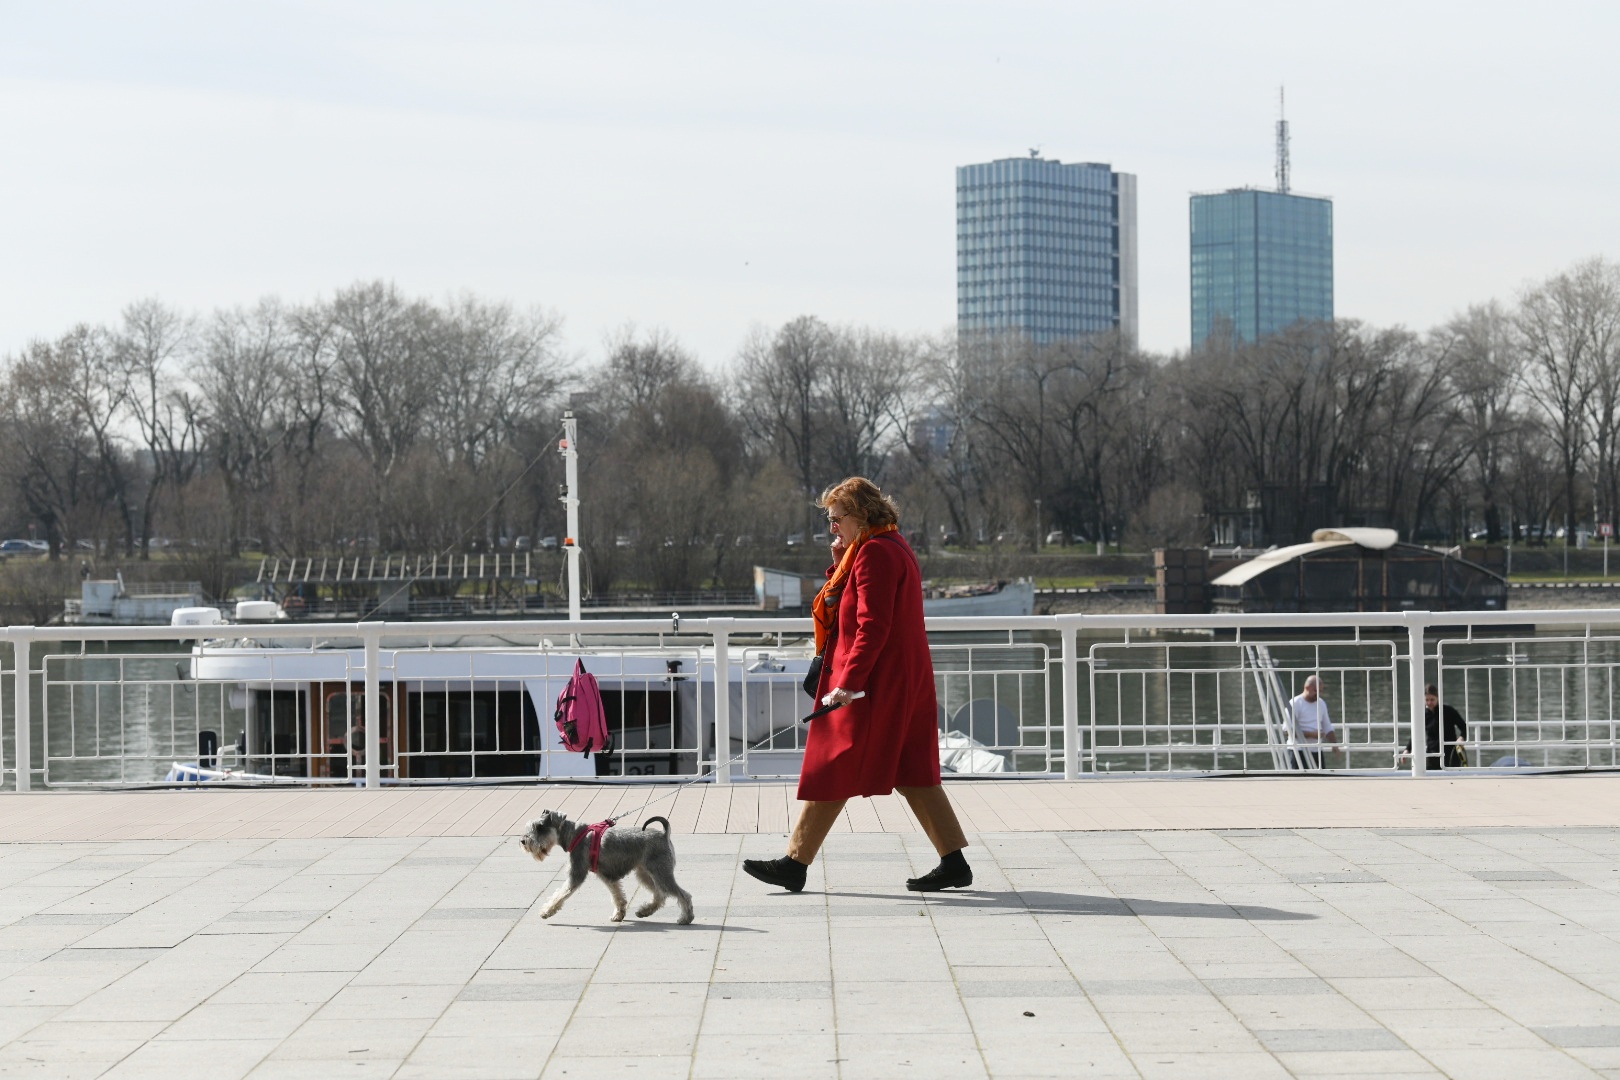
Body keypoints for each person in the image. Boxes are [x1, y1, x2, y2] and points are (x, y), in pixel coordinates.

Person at [743, 477, 972, 893]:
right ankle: (953, 861)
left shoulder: (875, 554)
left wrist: (848, 683)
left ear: (861, 515)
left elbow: (872, 625)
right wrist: (840, 560)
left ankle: (794, 863)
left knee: (835, 763)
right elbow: (858, 606)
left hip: (875, 684)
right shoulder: (889, 545)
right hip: (901, 678)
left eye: (837, 518)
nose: (832, 527)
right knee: (912, 770)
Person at [1402, 684, 1468, 769]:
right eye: (1427, 700)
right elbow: (1416, 733)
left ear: (1438, 698)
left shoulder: (1449, 711)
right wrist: (1407, 749)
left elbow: (1464, 727)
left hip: (1451, 753)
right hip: (1432, 754)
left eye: (1432, 700)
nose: (1429, 703)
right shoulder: (1423, 714)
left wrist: (1461, 738)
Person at [1288, 675, 1341, 769]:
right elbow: (1287, 730)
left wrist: (1334, 745)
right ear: (1307, 687)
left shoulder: (1321, 703)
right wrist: (1312, 735)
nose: (1318, 694)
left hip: (1316, 751)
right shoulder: (1295, 703)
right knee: (1298, 778)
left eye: (1320, 691)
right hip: (1298, 750)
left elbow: (1327, 726)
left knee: (1320, 777)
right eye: (1316, 691)